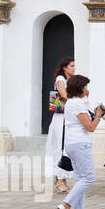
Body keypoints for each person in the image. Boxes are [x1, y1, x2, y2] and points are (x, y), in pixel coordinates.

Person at [54, 75, 105, 209]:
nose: (87, 90)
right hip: (79, 143)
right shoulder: (77, 104)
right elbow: (90, 127)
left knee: (80, 178)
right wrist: (99, 116)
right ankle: (66, 204)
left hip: (73, 143)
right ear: (80, 88)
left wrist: (93, 110)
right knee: (89, 177)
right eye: (85, 87)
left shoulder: (73, 102)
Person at [45, 57, 76, 194]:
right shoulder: (60, 79)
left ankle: (62, 177)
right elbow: (63, 95)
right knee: (60, 147)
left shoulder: (70, 81)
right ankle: (60, 180)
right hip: (61, 117)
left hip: (68, 117)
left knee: (66, 147)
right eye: (72, 66)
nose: (74, 68)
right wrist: (78, 98)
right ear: (64, 67)